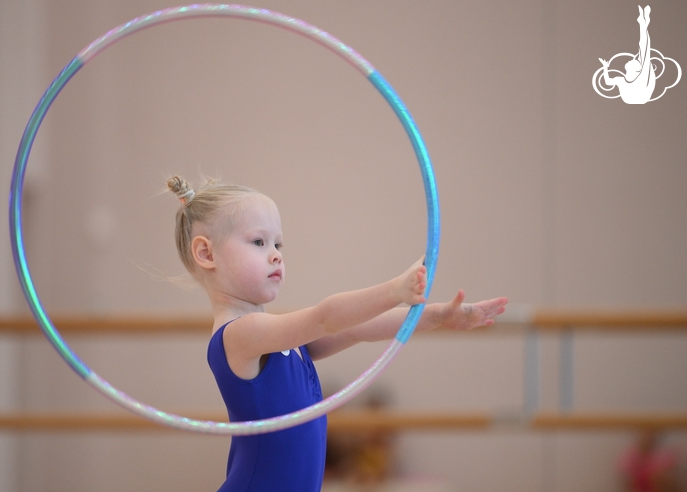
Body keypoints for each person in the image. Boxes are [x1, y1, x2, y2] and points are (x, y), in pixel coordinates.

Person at [167, 176, 508, 491]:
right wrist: (393, 290)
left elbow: (357, 329)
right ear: (206, 253)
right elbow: (326, 318)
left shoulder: (276, 339)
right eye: (258, 241)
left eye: (278, 244)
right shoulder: (240, 336)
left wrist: (438, 316)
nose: (275, 255)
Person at [599, 5, 655, 104]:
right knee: (644, 52)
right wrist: (605, 67)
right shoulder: (625, 79)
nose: (631, 59)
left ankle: (643, 24)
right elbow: (608, 82)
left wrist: (605, 67)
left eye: (634, 61)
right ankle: (643, 24)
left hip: (639, 96)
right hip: (638, 97)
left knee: (644, 51)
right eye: (635, 61)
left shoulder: (634, 78)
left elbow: (608, 82)